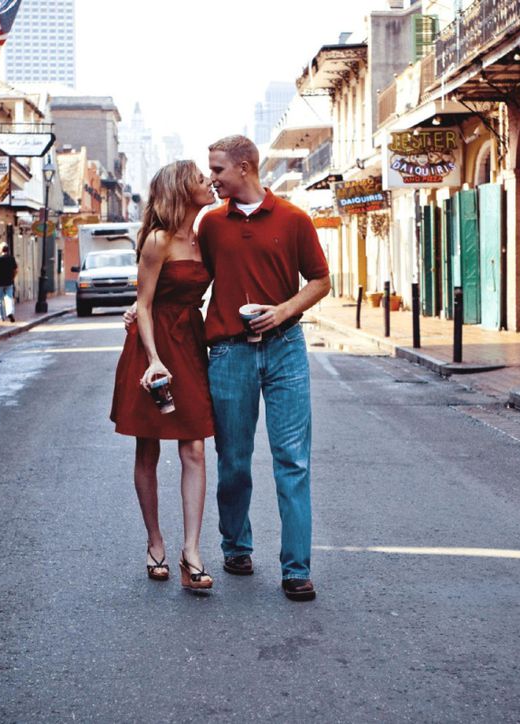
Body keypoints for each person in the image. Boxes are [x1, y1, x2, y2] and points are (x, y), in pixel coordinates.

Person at [201, 135, 330, 602]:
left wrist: (284, 310)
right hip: (230, 354)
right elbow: (191, 281)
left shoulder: (294, 219)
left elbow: (320, 279)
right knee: (232, 459)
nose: (212, 178)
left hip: (285, 349)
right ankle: (236, 545)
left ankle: (296, 568)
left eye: (217, 170)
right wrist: (145, 308)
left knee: (292, 460)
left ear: (244, 168)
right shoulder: (211, 225)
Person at [110, 160, 217, 592]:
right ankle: (155, 542)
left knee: (194, 447)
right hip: (153, 348)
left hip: (189, 342)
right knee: (148, 446)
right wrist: (154, 360)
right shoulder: (157, 241)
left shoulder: (205, 237)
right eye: (200, 179)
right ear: (180, 190)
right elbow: (145, 304)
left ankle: (191, 551)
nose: (208, 182)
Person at [0, 243, 18, 322]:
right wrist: (13, 277)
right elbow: (16, 270)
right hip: (9, 282)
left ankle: (1, 317)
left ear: (1, 250)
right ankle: (10, 313)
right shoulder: (11, 258)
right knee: (9, 298)